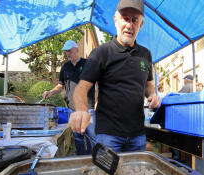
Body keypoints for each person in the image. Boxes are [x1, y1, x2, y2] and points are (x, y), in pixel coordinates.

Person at [69, 0, 161, 152]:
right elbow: (81, 88)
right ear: (116, 20)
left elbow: (148, 84)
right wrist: (81, 110)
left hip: (137, 135)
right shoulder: (101, 53)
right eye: (125, 18)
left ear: (141, 25)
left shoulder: (146, 54)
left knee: (135, 174)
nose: (129, 25)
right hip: (108, 135)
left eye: (134, 20)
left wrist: (153, 95)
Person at [42, 40, 96, 155]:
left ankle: (95, 160)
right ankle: (82, 160)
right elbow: (60, 86)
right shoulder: (65, 67)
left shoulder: (88, 64)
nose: (67, 53)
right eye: (66, 51)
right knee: (78, 138)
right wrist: (50, 92)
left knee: (92, 136)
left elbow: (98, 83)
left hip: (88, 108)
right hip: (72, 109)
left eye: (69, 50)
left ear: (76, 49)